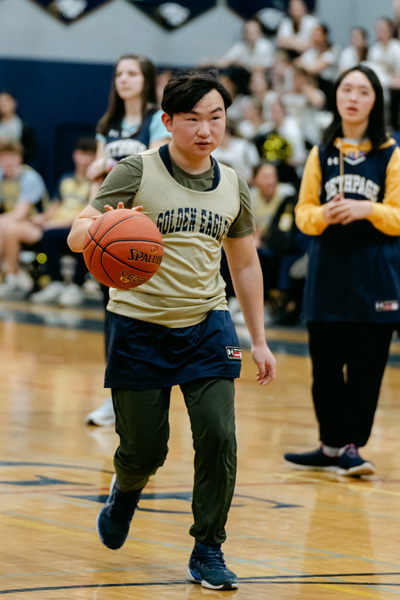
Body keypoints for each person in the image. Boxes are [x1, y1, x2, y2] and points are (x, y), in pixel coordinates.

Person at [67, 70, 276, 591]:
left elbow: (245, 265)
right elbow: (74, 234)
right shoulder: (135, 170)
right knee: (144, 450)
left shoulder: (233, 184)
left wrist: (261, 339)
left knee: (219, 436)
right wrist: (104, 228)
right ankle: (126, 491)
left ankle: (208, 548)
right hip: (137, 324)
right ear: (167, 121)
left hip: (207, 322)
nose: (206, 130)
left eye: (216, 118)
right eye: (193, 119)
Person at [284, 65, 400, 477]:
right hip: (328, 274)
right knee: (326, 367)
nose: (353, 97)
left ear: (375, 101)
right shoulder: (321, 152)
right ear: (337, 97)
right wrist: (324, 215)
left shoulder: (391, 151)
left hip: (376, 277)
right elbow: (302, 215)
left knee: (366, 368)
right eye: (346, 89)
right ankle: (331, 445)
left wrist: (367, 209)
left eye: (363, 91)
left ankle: (352, 445)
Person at [85, 53, 171, 427]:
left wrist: (107, 166)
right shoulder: (109, 124)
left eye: (132, 73)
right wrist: (101, 167)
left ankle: (152, 394)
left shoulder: (156, 120)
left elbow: (157, 161)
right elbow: (94, 171)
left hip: (145, 225)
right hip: (110, 227)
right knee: (113, 311)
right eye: (119, 73)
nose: (124, 79)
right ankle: (114, 396)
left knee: (148, 314)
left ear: (146, 79)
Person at [25, 137, 97, 307]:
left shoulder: (95, 184)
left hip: (78, 226)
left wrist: (55, 224)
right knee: (47, 235)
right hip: (59, 227)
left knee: (84, 236)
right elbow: (56, 206)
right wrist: (42, 218)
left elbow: (88, 212)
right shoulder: (66, 179)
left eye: (89, 155)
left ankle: (76, 286)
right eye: (82, 154)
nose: (85, 159)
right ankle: (55, 283)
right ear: (75, 155)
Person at [0, 141, 48, 299]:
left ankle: (12, 279)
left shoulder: (29, 177)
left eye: (12, 157)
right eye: (4, 157)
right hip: (11, 224)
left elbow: (20, 214)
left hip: (39, 225)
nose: (8, 161)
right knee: (6, 227)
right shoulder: (2, 177)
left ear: (20, 158)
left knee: (8, 227)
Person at [0, 91, 38, 165]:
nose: (3, 105)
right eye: (0, 102)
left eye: (6, 102)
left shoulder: (24, 126)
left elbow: (33, 151)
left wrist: (16, 148)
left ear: (13, 103)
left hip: (20, 166)